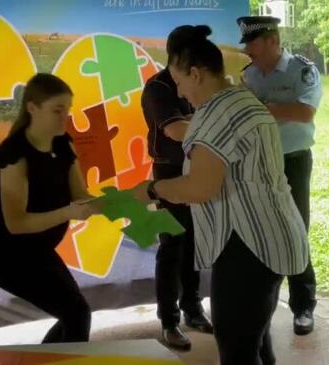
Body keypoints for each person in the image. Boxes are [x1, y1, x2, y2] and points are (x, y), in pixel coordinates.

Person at [132, 25, 309, 365]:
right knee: (257, 344)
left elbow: (200, 187)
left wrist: (154, 189)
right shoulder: (243, 99)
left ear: (195, 74)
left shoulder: (215, 115)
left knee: (237, 351)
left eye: (180, 82)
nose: (181, 93)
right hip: (270, 239)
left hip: (250, 247)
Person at [0, 73, 103, 343]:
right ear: (32, 108)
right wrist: (67, 213)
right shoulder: (13, 154)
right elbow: (16, 224)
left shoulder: (64, 143)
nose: (65, 118)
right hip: (6, 257)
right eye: (57, 110)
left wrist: (129, 200)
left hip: (38, 251)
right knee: (77, 313)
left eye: (68, 110)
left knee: (75, 314)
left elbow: (80, 196)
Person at [237, 16, 322, 335]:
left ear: (273, 40)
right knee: (260, 230)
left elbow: (305, 112)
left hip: (293, 162)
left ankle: (303, 307)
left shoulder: (302, 70)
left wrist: (262, 108)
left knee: (295, 228)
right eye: (246, 44)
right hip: (258, 163)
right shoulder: (247, 75)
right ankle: (262, 305)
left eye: (253, 44)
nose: (248, 51)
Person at [140, 26, 213, 351]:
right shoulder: (158, 87)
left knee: (195, 242)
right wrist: (220, 129)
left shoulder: (201, 81)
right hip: (168, 172)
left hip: (198, 169)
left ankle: (193, 309)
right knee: (172, 245)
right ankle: (169, 321)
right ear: (177, 55)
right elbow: (174, 130)